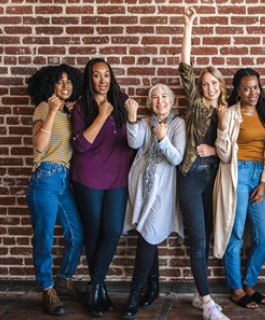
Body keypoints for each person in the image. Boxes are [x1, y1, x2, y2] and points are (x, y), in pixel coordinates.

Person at [176, 7, 230, 320]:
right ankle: (209, 304)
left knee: (208, 236)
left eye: (214, 83)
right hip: (192, 176)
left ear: (221, 86)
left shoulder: (228, 111)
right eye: (205, 83)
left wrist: (216, 143)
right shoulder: (196, 102)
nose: (209, 87)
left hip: (216, 178)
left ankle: (199, 293)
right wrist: (188, 25)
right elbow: (185, 66)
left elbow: (229, 149)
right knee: (197, 238)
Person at [70, 58, 130, 317]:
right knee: (93, 231)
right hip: (88, 175)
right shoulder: (82, 105)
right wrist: (102, 114)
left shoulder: (122, 99)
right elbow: (81, 145)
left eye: (106, 74)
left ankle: (94, 285)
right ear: (89, 79)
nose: (103, 80)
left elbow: (133, 135)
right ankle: (99, 290)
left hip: (118, 175)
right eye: (97, 75)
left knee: (113, 231)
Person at [213, 67, 265, 309]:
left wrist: (263, 182)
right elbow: (224, 154)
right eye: (247, 88)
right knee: (236, 232)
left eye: (256, 87)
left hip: (259, 175)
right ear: (237, 91)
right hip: (236, 174)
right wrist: (221, 125)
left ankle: (250, 283)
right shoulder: (229, 114)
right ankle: (236, 288)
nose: (253, 92)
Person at [120, 85, 186, 319]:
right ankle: (154, 287)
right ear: (149, 102)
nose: (160, 101)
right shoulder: (146, 121)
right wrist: (131, 119)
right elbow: (133, 143)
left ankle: (134, 295)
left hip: (163, 191)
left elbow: (177, 158)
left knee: (148, 235)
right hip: (140, 188)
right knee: (147, 234)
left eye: (164, 96)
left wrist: (163, 137)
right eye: (155, 97)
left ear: (172, 100)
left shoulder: (178, 124)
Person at [26, 64, 84, 316]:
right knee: (44, 237)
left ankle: (63, 279)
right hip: (45, 178)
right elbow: (39, 145)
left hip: (63, 181)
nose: (65, 86)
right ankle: (47, 288)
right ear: (49, 85)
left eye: (69, 82)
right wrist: (51, 111)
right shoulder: (43, 107)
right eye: (60, 82)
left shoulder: (70, 112)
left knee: (77, 234)